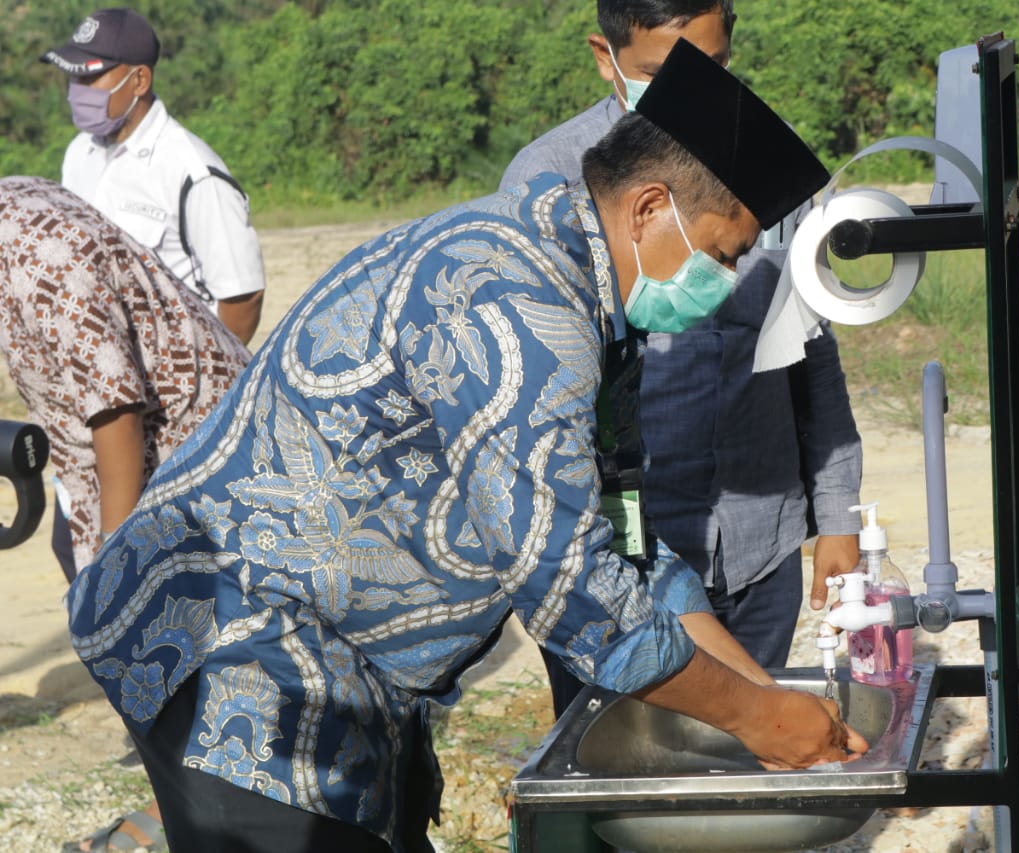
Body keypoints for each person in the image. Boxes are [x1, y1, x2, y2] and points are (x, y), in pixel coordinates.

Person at [65, 41, 868, 853]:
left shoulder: (599, 310)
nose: (727, 283)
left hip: (344, 662)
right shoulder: (515, 302)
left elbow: (627, 543)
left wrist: (772, 702)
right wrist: (757, 717)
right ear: (649, 207)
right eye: (723, 254)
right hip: (238, 649)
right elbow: (572, 586)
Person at [502, 0, 862, 717]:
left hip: (759, 535)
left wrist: (839, 515)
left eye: (716, 69)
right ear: (607, 58)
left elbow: (811, 343)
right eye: (663, 75)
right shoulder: (545, 182)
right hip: (620, 555)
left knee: (747, 762)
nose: (695, 100)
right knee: (620, 773)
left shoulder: (765, 159)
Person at [0, 176, 250, 852]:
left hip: (190, 455)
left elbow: (116, 408)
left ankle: (204, 819)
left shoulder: (41, 253)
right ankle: (180, 807)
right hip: (109, 462)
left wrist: (121, 564)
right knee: (143, 657)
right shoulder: (11, 210)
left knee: (165, 640)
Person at [42, 7, 266, 346]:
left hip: (176, 380)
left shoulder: (194, 173)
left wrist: (203, 382)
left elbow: (242, 297)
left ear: (139, 81)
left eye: (89, 78)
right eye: (73, 79)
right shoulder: (79, 153)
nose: (77, 92)